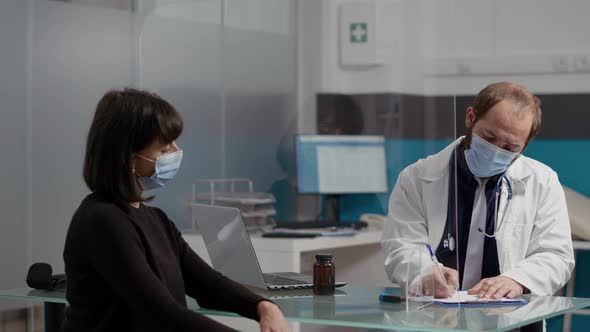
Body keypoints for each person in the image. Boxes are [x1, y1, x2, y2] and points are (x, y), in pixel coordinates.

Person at [63, 88, 291, 332]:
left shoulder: (156, 219)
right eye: (163, 149)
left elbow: (207, 284)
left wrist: (264, 307)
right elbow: (160, 313)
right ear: (129, 158)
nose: (175, 152)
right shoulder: (102, 220)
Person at [382, 82, 574, 299]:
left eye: (510, 147)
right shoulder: (416, 178)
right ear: (470, 118)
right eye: (489, 137)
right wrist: (425, 272)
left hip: (509, 318)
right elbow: (401, 247)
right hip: (436, 314)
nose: (495, 151)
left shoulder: (542, 182)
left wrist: (517, 280)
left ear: (526, 145)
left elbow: (557, 255)